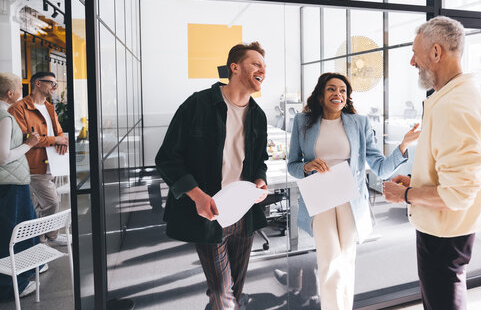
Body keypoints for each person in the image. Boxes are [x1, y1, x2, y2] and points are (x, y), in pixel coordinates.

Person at [384, 16, 481, 310]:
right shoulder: (456, 96)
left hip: (445, 232)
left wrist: (405, 195)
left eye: (414, 52)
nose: (412, 61)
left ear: (436, 52)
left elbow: (457, 194)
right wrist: (416, 183)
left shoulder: (453, 105)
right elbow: (453, 172)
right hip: (449, 227)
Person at [287, 72, 420, 310]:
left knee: (346, 262)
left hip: (349, 198)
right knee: (329, 261)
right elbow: (292, 166)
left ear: (347, 97)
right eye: (331, 89)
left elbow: (379, 167)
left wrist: (403, 146)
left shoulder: (359, 123)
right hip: (320, 198)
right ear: (320, 94)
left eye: (342, 91)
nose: (337, 94)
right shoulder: (302, 122)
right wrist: (307, 166)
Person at [155, 42, 269, 310]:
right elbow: (167, 158)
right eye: (256, 64)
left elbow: (259, 161)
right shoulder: (197, 105)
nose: (263, 70)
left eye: (265, 66)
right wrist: (197, 196)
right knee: (221, 292)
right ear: (235, 67)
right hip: (210, 213)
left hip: (243, 213)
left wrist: (260, 179)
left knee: (234, 292)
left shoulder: (258, 116)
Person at [9, 72, 69, 246]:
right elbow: (25, 138)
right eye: (51, 83)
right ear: (37, 83)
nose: (54, 88)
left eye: (55, 84)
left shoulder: (49, 107)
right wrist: (54, 140)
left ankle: (38, 240)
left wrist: (61, 140)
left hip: (53, 162)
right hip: (32, 164)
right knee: (51, 202)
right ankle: (49, 237)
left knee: (40, 204)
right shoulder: (19, 109)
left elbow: (57, 132)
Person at [0, 73, 41, 299]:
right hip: (11, 185)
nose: (21, 92)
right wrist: (28, 144)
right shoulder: (4, 117)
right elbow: (3, 156)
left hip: (7, 184)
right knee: (11, 235)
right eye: (19, 88)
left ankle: (25, 272)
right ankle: (13, 285)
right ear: (10, 93)